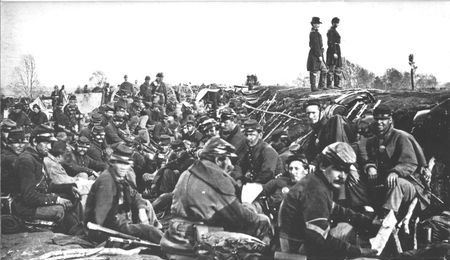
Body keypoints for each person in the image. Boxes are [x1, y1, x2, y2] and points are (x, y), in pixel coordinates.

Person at [164, 137, 272, 254]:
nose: (230, 165)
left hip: (175, 232)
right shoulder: (217, 178)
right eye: (228, 159)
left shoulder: (187, 172)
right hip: (198, 238)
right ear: (219, 160)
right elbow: (240, 217)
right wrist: (249, 208)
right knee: (262, 222)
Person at [279, 142, 379, 259]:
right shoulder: (315, 190)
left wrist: (368, 222)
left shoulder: (318, 182)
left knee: (346, 228)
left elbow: (337, 209)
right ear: (322, 166)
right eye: (338, 169)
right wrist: (357, 251)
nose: (343, 176)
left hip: (302, 241)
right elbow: (318, 238)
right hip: (299, 249)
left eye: (346, 171)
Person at [13, 124, 83, 235]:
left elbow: (45, 185)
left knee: (73, 197)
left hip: (34, 202)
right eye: (46, 143)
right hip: (24, 208)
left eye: (50, 143)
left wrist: (68, 188)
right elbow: (28, 196)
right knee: (59, 209)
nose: (49, 147)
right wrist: (57, 200)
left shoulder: (37, 156)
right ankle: (66, 233)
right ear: (35, 142)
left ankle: (75, 230)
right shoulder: (26, 161)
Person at [84, 144, 163, 243]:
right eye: (120, 163)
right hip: (102, 230)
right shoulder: (106, 181)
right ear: (112, 163)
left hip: (119, 222)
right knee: (149, 231)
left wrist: (141, 209)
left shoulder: (118, 177)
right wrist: (139, 228)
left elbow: (134, 194)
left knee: (145, 204)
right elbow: (107, 219)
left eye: (126, 164)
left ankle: (160, 236)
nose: (123, 167)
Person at [361, 104, 427, 217]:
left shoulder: (401, 137)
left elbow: (410, 163)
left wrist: (395, 171)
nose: (379, 122)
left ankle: (385, 220)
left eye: (383, 119)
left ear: (390, 120)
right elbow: (369, 158)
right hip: (383, 183)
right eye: (376, 119)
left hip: (409, 185)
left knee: (396, 183)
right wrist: (370, 167)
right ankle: (362, 211)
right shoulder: (373, 140)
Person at [240, 119, 282, 184]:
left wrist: (252, 185)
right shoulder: (250, 148)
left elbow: (267, 173)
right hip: (258, 182)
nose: (248, 138)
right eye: (246, 135)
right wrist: (238, 179)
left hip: (271, 185)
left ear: (260, 135)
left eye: (252, 135)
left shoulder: (267, 150)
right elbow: (240, 165)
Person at [219, 107, 248, 180]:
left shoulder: (239, 137)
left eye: (225, 122)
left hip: (237, 170)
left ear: (233, 121)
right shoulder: (227, 133)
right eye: (221, 122)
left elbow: (227, 155)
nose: (222, 125)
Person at [1, 128, 27, 196]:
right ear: (9, 144)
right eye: (16, 142)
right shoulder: (7, 157)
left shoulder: (18, 154)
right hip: (11, 196)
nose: (20, 146)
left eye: (22, 142)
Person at [307, 17, 328, 92]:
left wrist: (321, 50)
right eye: (317, 23)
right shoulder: (313, 33)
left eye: (319, 23)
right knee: (314, 71)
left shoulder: (316, 32)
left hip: (318, 53)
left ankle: (321, 86)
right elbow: (315, 45)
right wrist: (319, 55)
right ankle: (313, 87)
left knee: (324, 69)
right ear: (313, 24)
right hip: (315, 55)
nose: (318, 25)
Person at [326, 17, 343, 89]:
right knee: (331, 67)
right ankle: (329, 84)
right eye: (335, 23)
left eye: (337, 23)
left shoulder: (334, 30)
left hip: (337, 49)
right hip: (332, 50)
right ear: (332, 23)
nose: (337, 24)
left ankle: (336, 84)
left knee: (338, 67)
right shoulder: (330, 31)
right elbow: (330, 42)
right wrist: (334, 52)